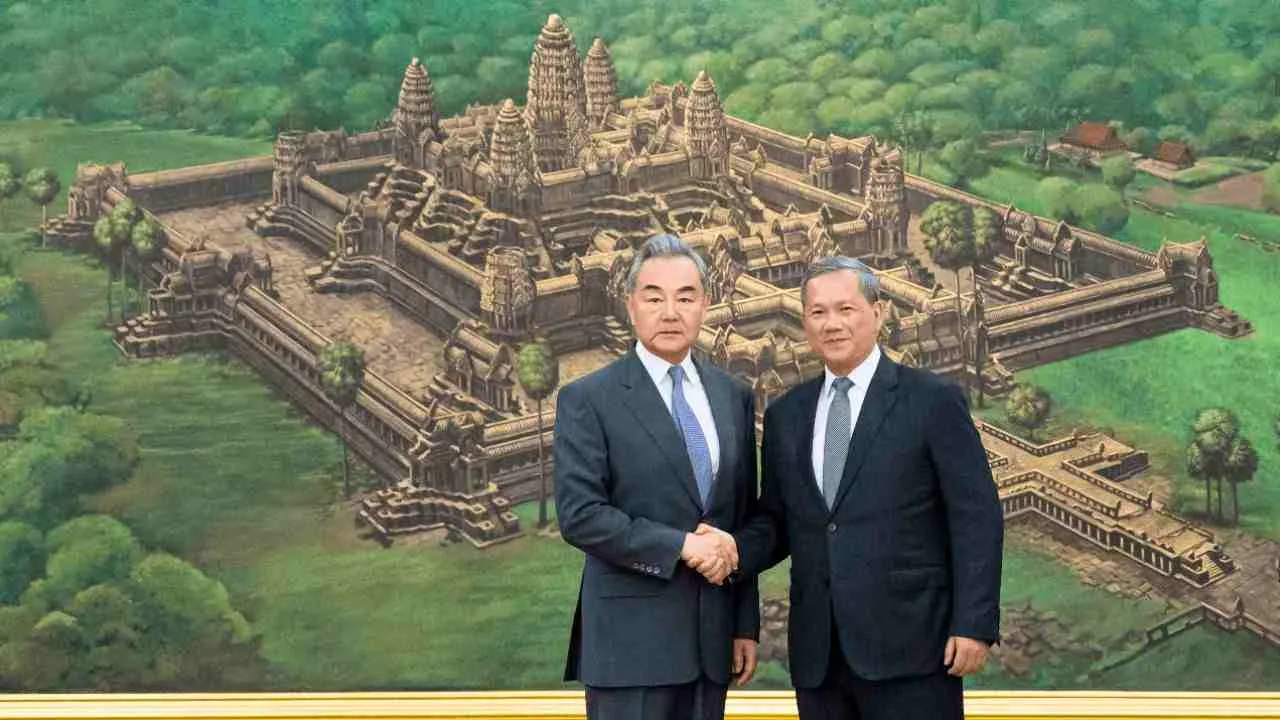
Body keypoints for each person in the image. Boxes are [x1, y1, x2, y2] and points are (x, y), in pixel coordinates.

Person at [729, 255, 1003, 720]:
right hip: (820, 658)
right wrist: (729, 550)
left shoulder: (932, 401)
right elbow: (778, 522)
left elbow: (975, 515)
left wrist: (974, 625)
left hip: (914, 649)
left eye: (846, 309)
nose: (831, 324)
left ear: (878, 314)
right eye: (818, 312)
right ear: (805, 322)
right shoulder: (786, 416)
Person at [554, 234, 760, 720]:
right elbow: (581, 516)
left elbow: (741, 518)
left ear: (705, 305)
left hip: (712, 645)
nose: (671, 312)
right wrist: (681, 546)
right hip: (630, 650)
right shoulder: (589, 399)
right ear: (631, 307)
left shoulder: (733, 396)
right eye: (654, 297)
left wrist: (744, 624)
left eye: (685, 297)